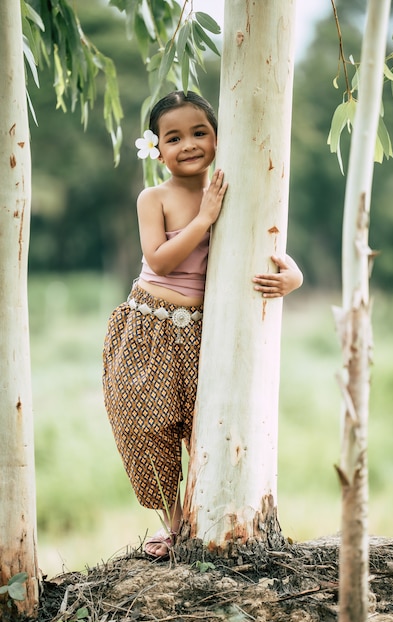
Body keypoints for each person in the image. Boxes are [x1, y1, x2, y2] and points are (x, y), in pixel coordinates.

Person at [102, 91, 303, 559]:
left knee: (206, 427)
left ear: (217, 138)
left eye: (199, 133)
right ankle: (172, 521)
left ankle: (207, 517)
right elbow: (160, 259)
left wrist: (293, 275)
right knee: (143, 425)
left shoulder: (234, 188)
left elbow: (266, 239)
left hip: (203, 334)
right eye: (173, 137)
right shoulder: (153, 198)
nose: (188, 144)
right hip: (147, 328)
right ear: (156, 148)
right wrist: (204, 219)